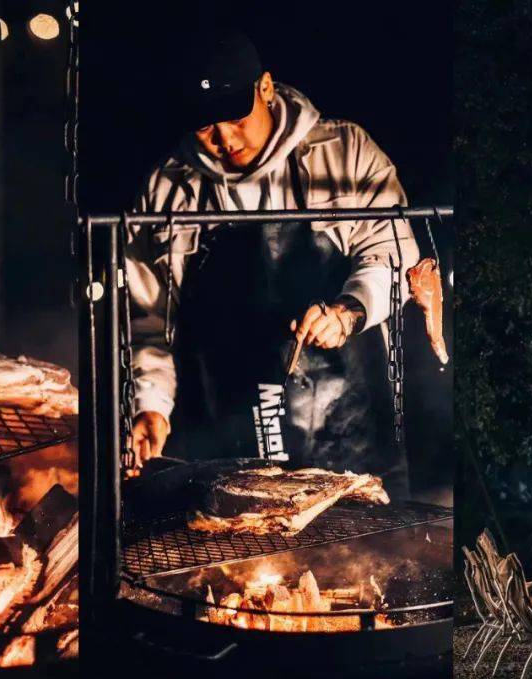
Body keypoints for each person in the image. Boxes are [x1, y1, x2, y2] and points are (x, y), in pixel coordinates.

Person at [123, 33, 428, 497]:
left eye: (234, 116)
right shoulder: (167, 191)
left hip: (347, 427)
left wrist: (349, 310)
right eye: (205, 126)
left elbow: (392, 253)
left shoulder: (344, 153)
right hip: (225, 434)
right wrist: (150, 406)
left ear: (265, 88)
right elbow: (146, 321)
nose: (223, 138)